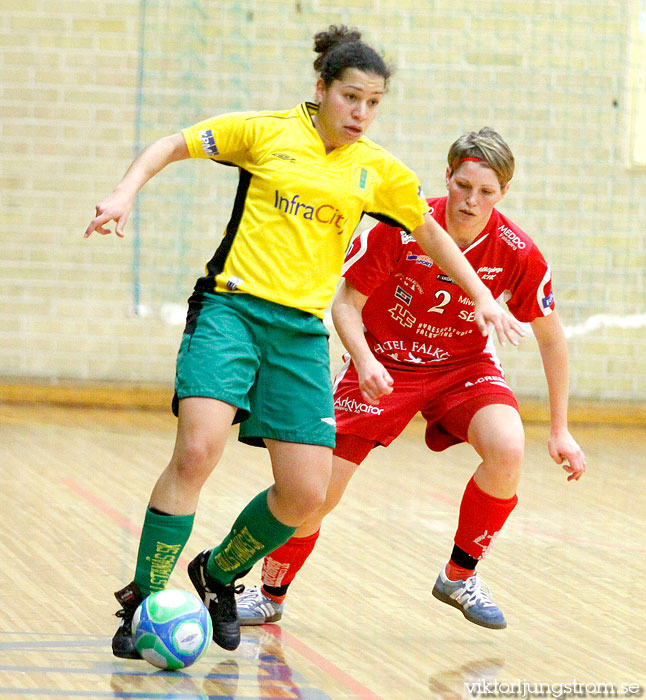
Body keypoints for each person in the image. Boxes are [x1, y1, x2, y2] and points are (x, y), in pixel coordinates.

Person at [85, 27, 523, 657]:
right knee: (198, 451)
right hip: (230, 310)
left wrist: (481, 295)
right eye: (351, 98)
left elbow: (431, 234)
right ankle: (145, 598)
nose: (362, 114)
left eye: (374, 103)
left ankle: (217, 574)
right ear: (321, 89)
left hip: (298, 335)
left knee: (305, 493)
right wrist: (125, 191)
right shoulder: (265, 132)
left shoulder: (376, 170)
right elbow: (171, 145)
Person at [236, 127, 587, 630]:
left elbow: (552, 339)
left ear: (503, 194)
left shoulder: (517, 251)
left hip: (463, 369)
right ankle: (270, 593)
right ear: (447, 176)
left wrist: (560, 428)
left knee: (509, 448)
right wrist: (364, 360)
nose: (471, 200)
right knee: (316, 495)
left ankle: (459, 576)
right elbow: (346, 306)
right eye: (464, 186)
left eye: (486, 192)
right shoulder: (401, 225)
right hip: (382, 364)